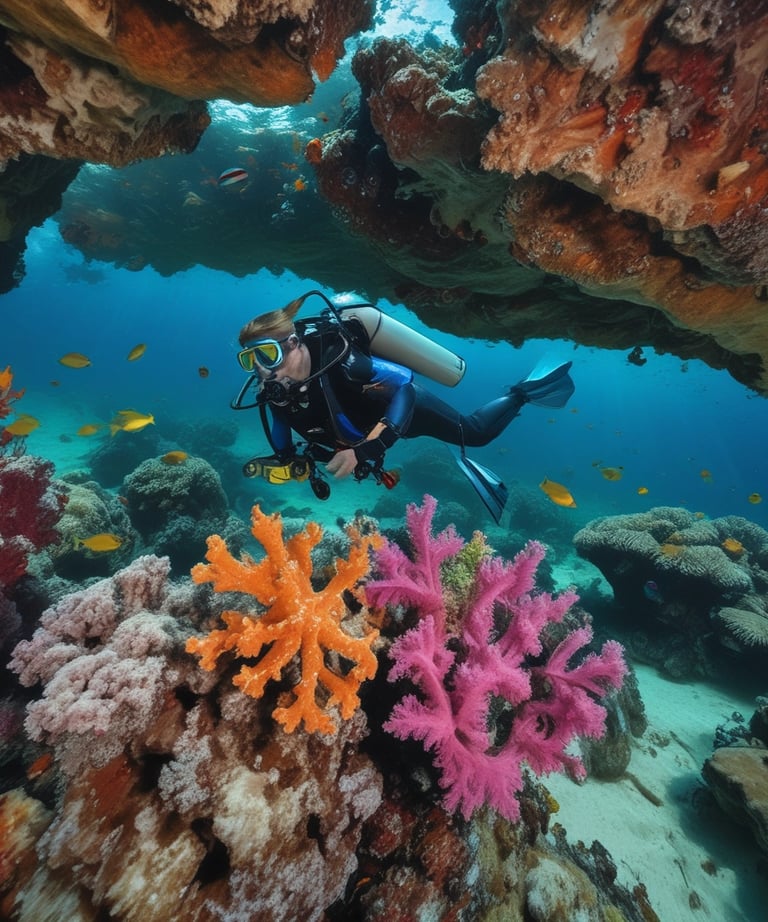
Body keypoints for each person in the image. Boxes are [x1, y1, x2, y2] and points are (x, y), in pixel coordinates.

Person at [233, 290, 574, 519]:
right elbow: (282, 434)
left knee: (474, 433)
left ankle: (523, 391)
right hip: (362, 428)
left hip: (404, 410)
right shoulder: (277, 391)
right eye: (251, 360)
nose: (263, 372)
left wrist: (369, 447)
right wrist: (287, 460)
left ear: (294, 343)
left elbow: (404, 386)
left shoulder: (346, 362)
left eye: (268, 355)